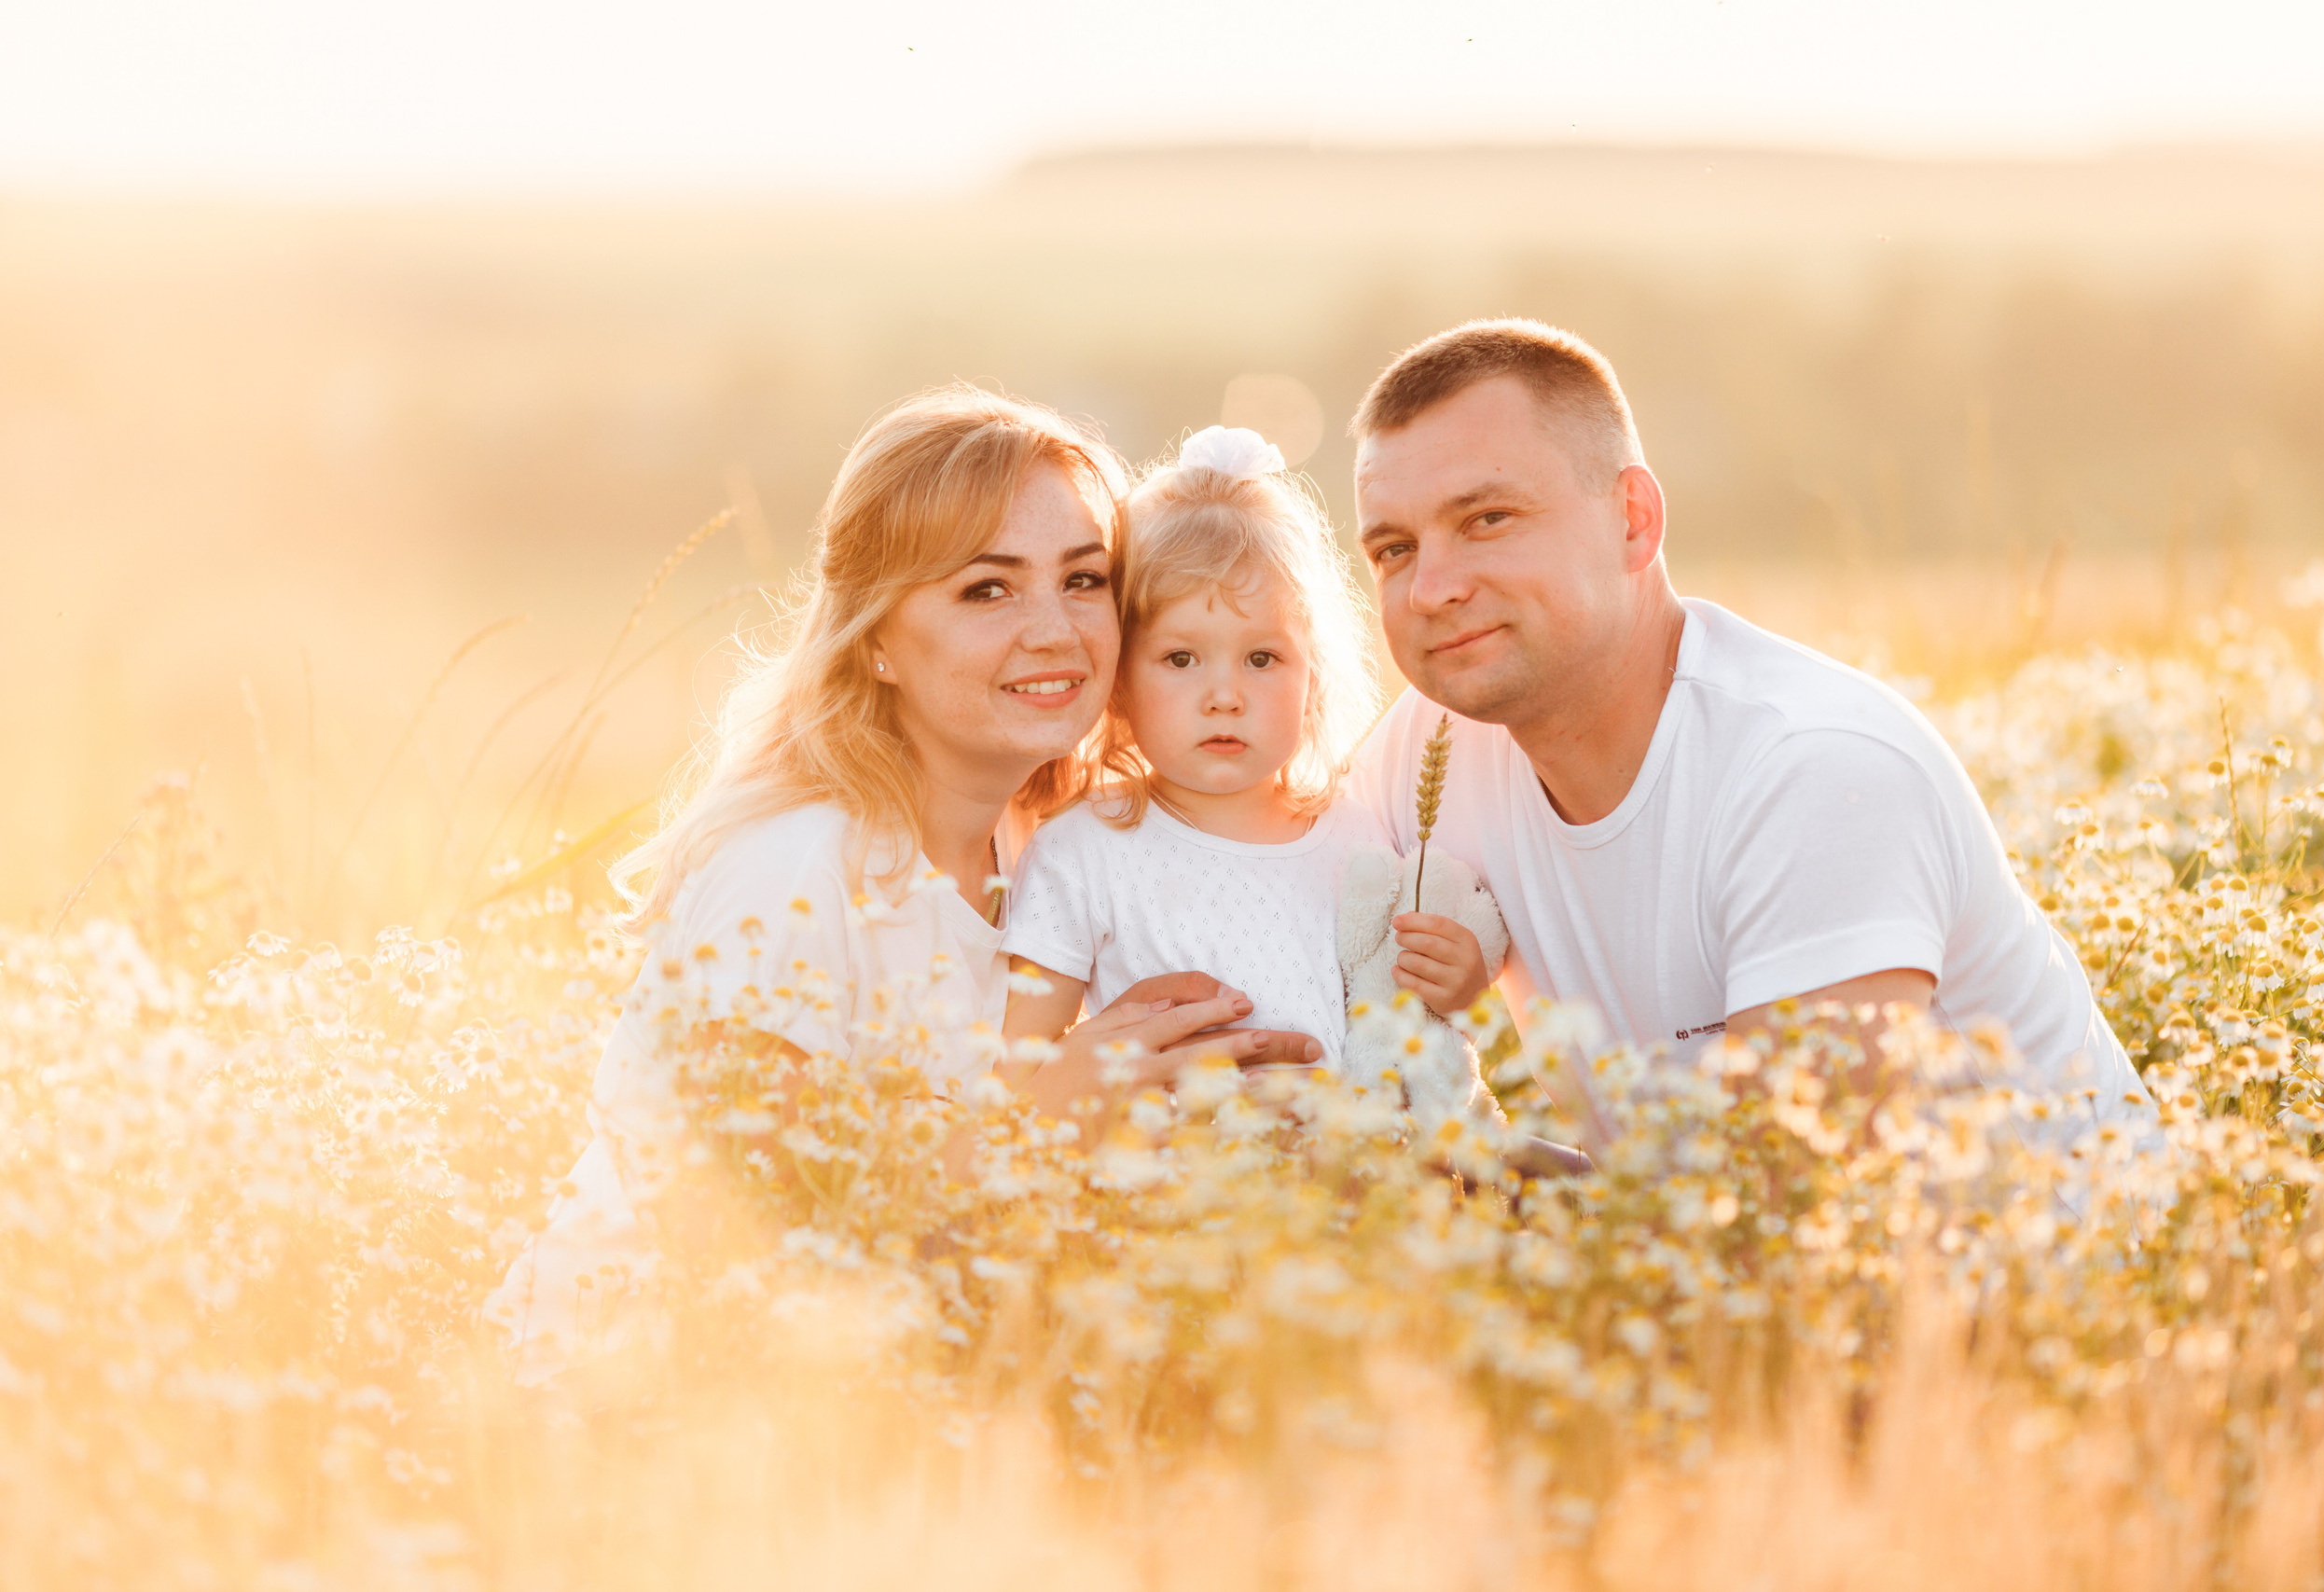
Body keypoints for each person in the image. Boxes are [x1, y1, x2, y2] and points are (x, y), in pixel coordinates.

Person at [489, 388, 1318, 1383]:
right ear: (878, 636)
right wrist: (1046, 1115)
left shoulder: (1055, 856)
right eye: (987, 590)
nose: (1056, 631)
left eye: (1084, 580)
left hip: (899, 1390)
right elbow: (738, 1225)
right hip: (646, 1402)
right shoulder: (795, 868)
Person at [1345, 319, 2151, 1146]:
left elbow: (1800, 1210)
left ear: (1632, 519)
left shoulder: (1814, 772)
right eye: (1395, 549)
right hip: (1678, 1247)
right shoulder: (1433, 748)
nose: (1429, 590)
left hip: (2055, 1270)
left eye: (1487, 519)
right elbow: (1267, 905)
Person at [1000, 424, 1496, 1100]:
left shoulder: (1357, 836)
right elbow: (1021, 1078)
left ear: (1311, 677)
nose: (1225, 697)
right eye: (1180, 659)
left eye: (1262, 659)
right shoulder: (1080, 852)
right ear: (1119, 681)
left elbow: (1404, 1024)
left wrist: (1466, 989)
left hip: (1344, 1187)